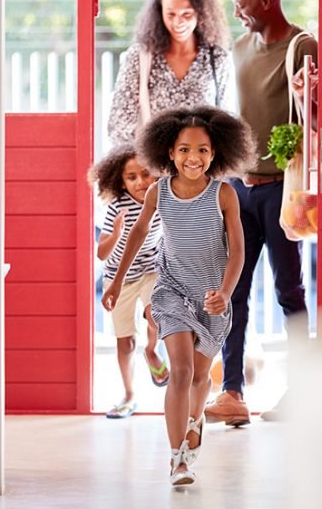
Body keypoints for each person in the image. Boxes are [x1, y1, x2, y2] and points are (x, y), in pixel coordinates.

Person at [102, 106, 256, 485]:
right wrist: (118, 281)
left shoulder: (224, 194)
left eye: (202, 150)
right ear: (169, 153)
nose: (193, 157)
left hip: (213, 298)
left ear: (215, 153)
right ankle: (178, 460)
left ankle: (195, 419)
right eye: (184, 149)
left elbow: (237, 251)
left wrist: (224, 292)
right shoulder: (159, 191)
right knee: (182, 371)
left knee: (201, 377)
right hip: (171, 291)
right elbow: (137, 235)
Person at [204, 0, 318, 425]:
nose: (237, 13)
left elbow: (319, 119)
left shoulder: (301, 46)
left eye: (242, 4)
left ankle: (305, 391)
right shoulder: (238, 49)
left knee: (289, 290)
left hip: (280, 190)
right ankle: (232, 392)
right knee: (234, 292)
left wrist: (307, 97)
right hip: (239, 189)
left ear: (267, 2)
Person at [107, 0, 232, 145]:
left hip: (201, 169)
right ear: (159, 13)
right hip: (154, 168)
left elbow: (225, 124)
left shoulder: (216, 58)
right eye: (170, 14)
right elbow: (118, 125)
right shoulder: (141, 57)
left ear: (201, 13)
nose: (178, 22)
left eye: (186, 14)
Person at [88, 144, 167, 418]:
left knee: (156, 314)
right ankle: (129, 394)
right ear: (120, 182)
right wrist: (117, 234)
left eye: (145, 174)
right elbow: (101, 253)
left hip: (150, 269)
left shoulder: (160, 197)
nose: (140, 182)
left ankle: (152, 349)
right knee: (125, 341)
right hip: (118, 276)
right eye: (131, 178)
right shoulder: (117, 207)